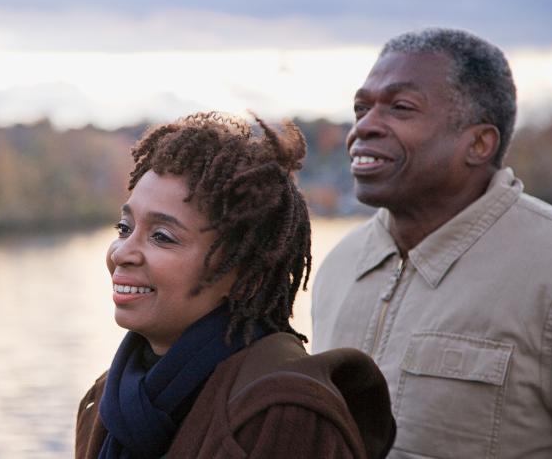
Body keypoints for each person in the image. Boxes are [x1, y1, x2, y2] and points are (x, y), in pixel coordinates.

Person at [311, 28, 552, 458]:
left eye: (400, 108)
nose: (364, 127)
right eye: (361, 108)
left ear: (478, 143)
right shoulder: (341, 264)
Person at [76, 112, 395, 459]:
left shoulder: (285, 414)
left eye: (162, 237)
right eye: (124, 228)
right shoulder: (107, 397)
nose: (123, 252)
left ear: (246, 274)